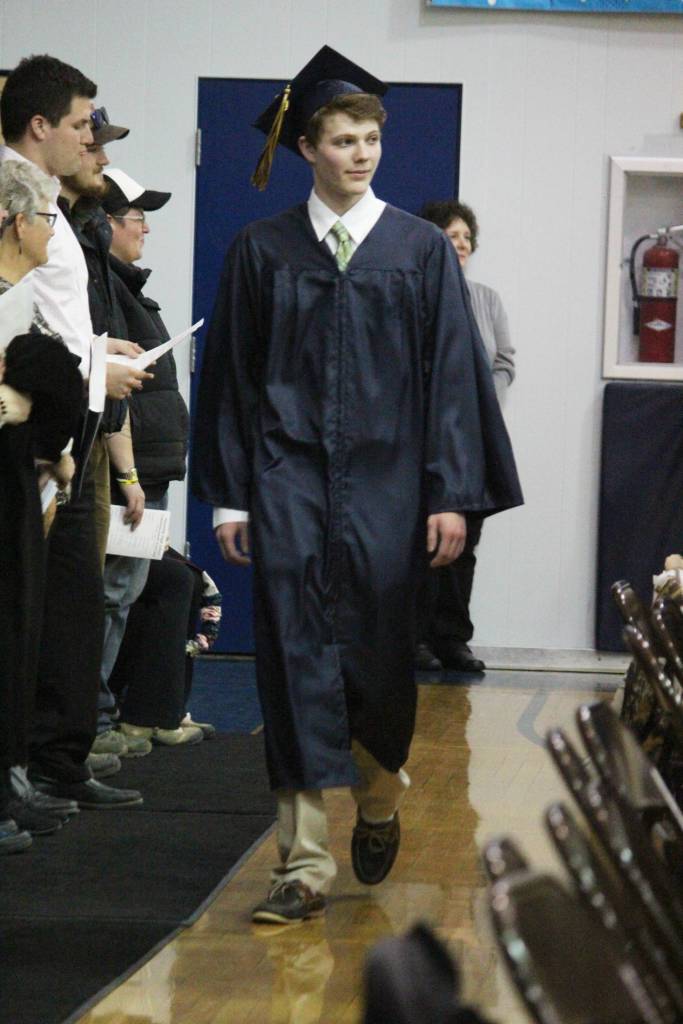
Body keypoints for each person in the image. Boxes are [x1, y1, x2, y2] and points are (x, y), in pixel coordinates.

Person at [192, 46, 522, 925]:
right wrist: (231, 495)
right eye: (343, 140)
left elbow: (454, 379)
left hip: (388, 491)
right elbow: (231, 378)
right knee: (292, 662)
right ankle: (300, 865)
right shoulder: (261, 252)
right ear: (308, 149)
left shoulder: (417, 252)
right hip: (286, 480)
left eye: (371, 138)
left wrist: (451, 491)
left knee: (379, 669)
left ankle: (378, 800)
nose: (362, 153)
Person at [0, 54, 146, 808]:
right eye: (83, 123)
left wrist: (99, 354)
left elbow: (53, 319)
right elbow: (17, 320)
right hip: (26, 422)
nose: (92, 138)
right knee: (30, 602)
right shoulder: (11, 191)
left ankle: (50, 759)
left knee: (62, 601)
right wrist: (92, 367)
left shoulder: (44, 198)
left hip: (64, 415)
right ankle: (24, 766)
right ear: (39, 125)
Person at [93, 167, 197, 751]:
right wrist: (128, 471)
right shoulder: (104, 285)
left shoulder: (129, 287)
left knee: (126, 593)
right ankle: (95, 723)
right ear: (107, 224)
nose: (146, 230)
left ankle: (104, 717)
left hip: (145, 470)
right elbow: (111, 393)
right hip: (122, 471)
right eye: (137, 219)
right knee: (110, 595)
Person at [0, 160, 84, 846]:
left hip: (17, 477)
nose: (52, 232)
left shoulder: (18, 296)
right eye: (46, 219)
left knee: (20, 626)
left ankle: (11, 775)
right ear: (17, 222)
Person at [415, 200, 516, 674]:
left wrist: (481, 405)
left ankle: (452, 639)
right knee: (419, 541)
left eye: (466, 237)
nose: (460, 244)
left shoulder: (487, 298)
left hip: (475, 438)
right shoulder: (414, 292)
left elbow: (505, 362)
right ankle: (414, 639)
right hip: (421, 437)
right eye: (450, 235)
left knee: (464, 544)